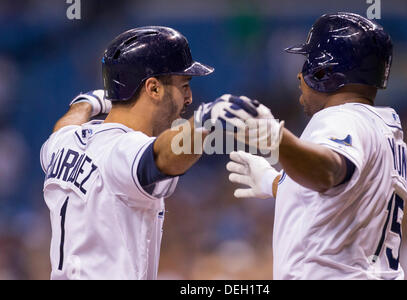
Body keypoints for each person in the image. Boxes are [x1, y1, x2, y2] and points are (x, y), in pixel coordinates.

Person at [40, 26, 260, 280]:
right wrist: (205, 121)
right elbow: (164, 156)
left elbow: (65, 126)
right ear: (153, 88)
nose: (189, 98)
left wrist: (87, 102)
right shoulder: (122, 149)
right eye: (184, 85)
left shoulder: (63, 143)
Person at [226, 13, 407, 279]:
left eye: (307, 62)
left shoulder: (342, 117)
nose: (300, 75)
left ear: (323, 71)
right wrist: (275, 182)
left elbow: (329, 173)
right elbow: (342, 191)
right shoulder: (385, 129)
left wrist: (277, 139)